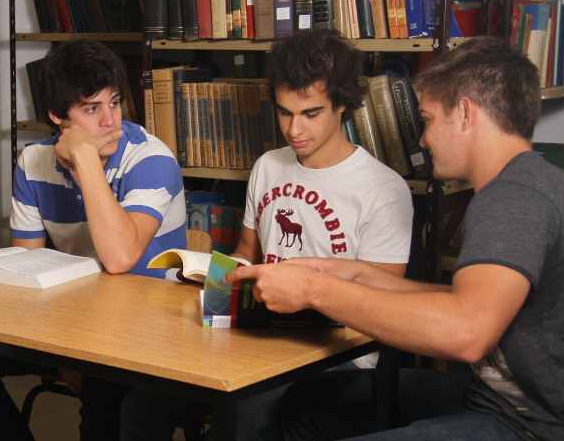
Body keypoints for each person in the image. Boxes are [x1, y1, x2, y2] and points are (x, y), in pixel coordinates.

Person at [255, 36, 564, 441]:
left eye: (426, 120)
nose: (423, 140)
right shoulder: (540, 181)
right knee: (306, 401)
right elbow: (470, 304)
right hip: (498, 398)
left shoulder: (513, 197)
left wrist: (316, 289)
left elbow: (467, 333)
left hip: (532, 423)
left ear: (464, 114)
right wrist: (357, 275)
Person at [120, 29, 414, 441]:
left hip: (338, 351)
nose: (294, 129)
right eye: (284, 112)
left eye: (310, 113)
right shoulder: (268, 167)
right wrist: (211, 278)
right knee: (142, 403)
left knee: (244, 418)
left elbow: (384, 308)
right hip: (258, 329)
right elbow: (246, 255)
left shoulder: (383, 190)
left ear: (342, 104)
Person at [0, 38, 187, 441]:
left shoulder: (150, 159)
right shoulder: (33, 161)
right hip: (80, 323)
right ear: (57, 116)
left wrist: (86, 160)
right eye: (92, 108)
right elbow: (26, 271)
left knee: (103, 382)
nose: (111, 121)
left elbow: (121, 257)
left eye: (115, 102)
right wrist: (62, 345)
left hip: (152, 328)